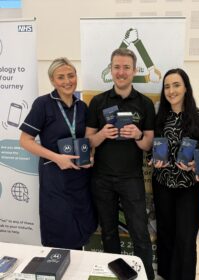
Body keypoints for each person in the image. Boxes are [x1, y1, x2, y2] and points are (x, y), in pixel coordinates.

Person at [86, 48, 155, 280]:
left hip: (132, 178)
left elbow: (147, 145)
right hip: (102, 178)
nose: (121, 72)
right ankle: (117, 276)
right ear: (111, 69)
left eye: (126, 67)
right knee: (108, 232)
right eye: (117, 67)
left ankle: (146, 276)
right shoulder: (97, 102)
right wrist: (102, 135)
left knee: (140, 233)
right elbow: (88, 141)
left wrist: (137, 135)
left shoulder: (144, 104)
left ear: (134, 71)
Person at [19, 57, 97, 250]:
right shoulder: (43, 104)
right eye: (60, 77)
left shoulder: (82, 107)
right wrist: (56, 158)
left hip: (80, 179)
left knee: (81, 231)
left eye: (71, 75)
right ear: (53, 81)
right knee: (60, 232)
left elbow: (87, 140)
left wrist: (91, 155)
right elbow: (25, 140)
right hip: (55, 179)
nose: (67, 81)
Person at [151, 68, 199, 280]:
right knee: (166, 235)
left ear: (186, 87)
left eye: (176, 85)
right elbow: (149, 150)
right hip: (163, 186)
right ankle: (166, 275)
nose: (171, 90)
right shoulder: (159, 117)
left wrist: (195, 164)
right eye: (167, 86)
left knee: (186, 239)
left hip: (189, 187)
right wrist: (152, 160)